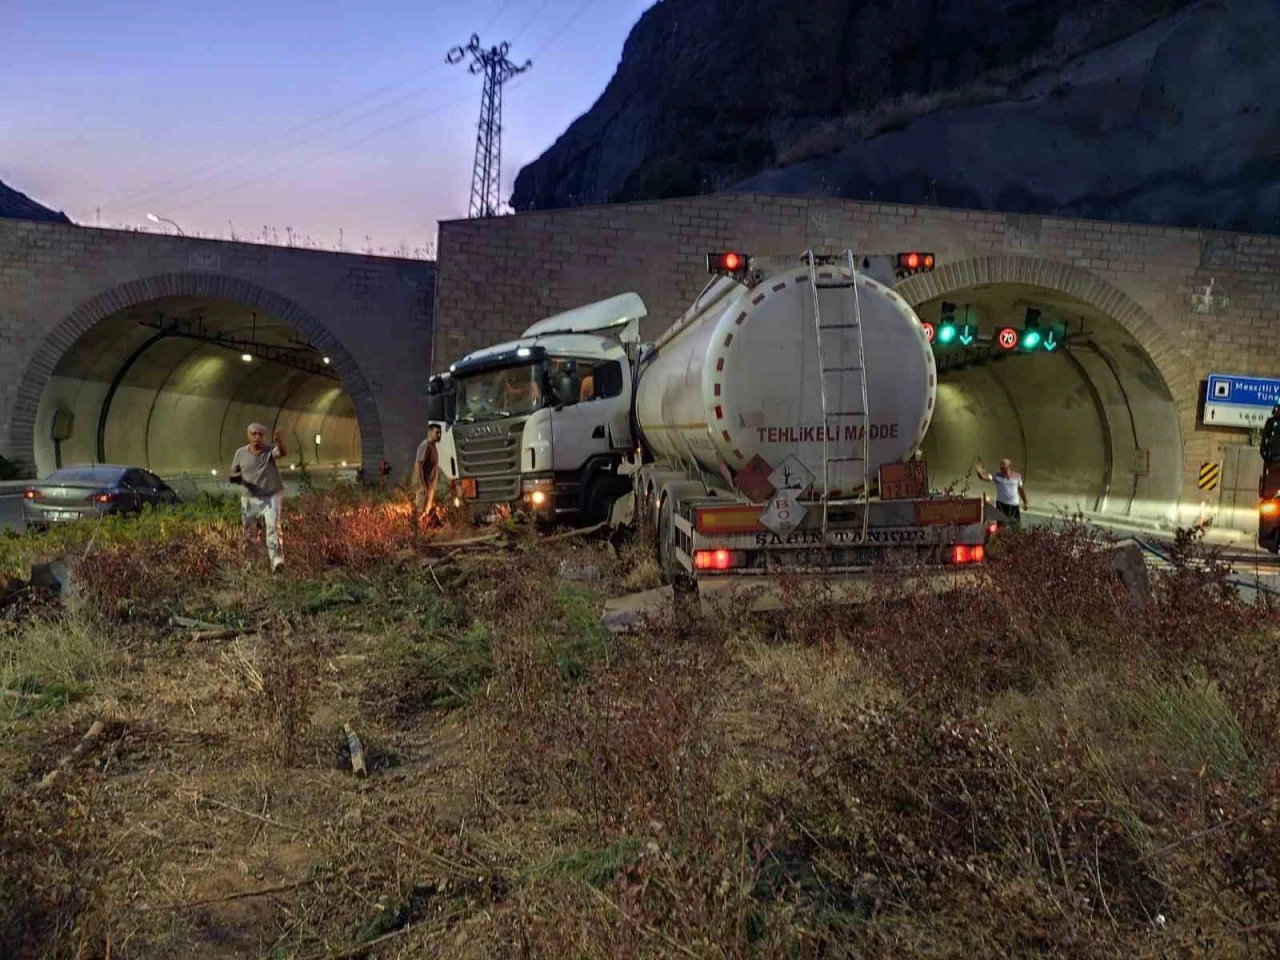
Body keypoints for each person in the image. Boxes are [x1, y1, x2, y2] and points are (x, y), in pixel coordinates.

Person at [230, 423, 287, 572]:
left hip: (270, 496)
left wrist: (279, 441)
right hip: (249, 498)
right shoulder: (241, 453)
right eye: (253, 434)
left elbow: (281, 453)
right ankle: (250, 563)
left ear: (264, 437)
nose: (257, 437)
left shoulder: (269, 451)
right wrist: (237, 477)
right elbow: (233, 472)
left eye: (260, 434)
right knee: (249, 532)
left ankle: (277, 561)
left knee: (273, 527)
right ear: (248, 435)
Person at [974, 457, 1028, 525]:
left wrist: (1025, 502)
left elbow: (1021, 490)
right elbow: (983, 477)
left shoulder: (1017, 476)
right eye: (1000, 465)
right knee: (1001, 526)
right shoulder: (996, 475)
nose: (1001, 466)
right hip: (1001, 505)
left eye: (1003, 464)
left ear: (1009, 466)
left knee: (1015, 525)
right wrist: (979, 472)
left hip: (1014, 505)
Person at [414, 424, 443, 527]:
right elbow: (418, 464)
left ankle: (424, 528)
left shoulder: (432, 446)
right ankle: (416, 530)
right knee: (420, 509)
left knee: (427, 509)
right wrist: (422, 485)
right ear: (430, 432)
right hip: (424, 484)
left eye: (440, 433)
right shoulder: (425, 445)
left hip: (429, 484)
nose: (439, 435)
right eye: (437, 432)